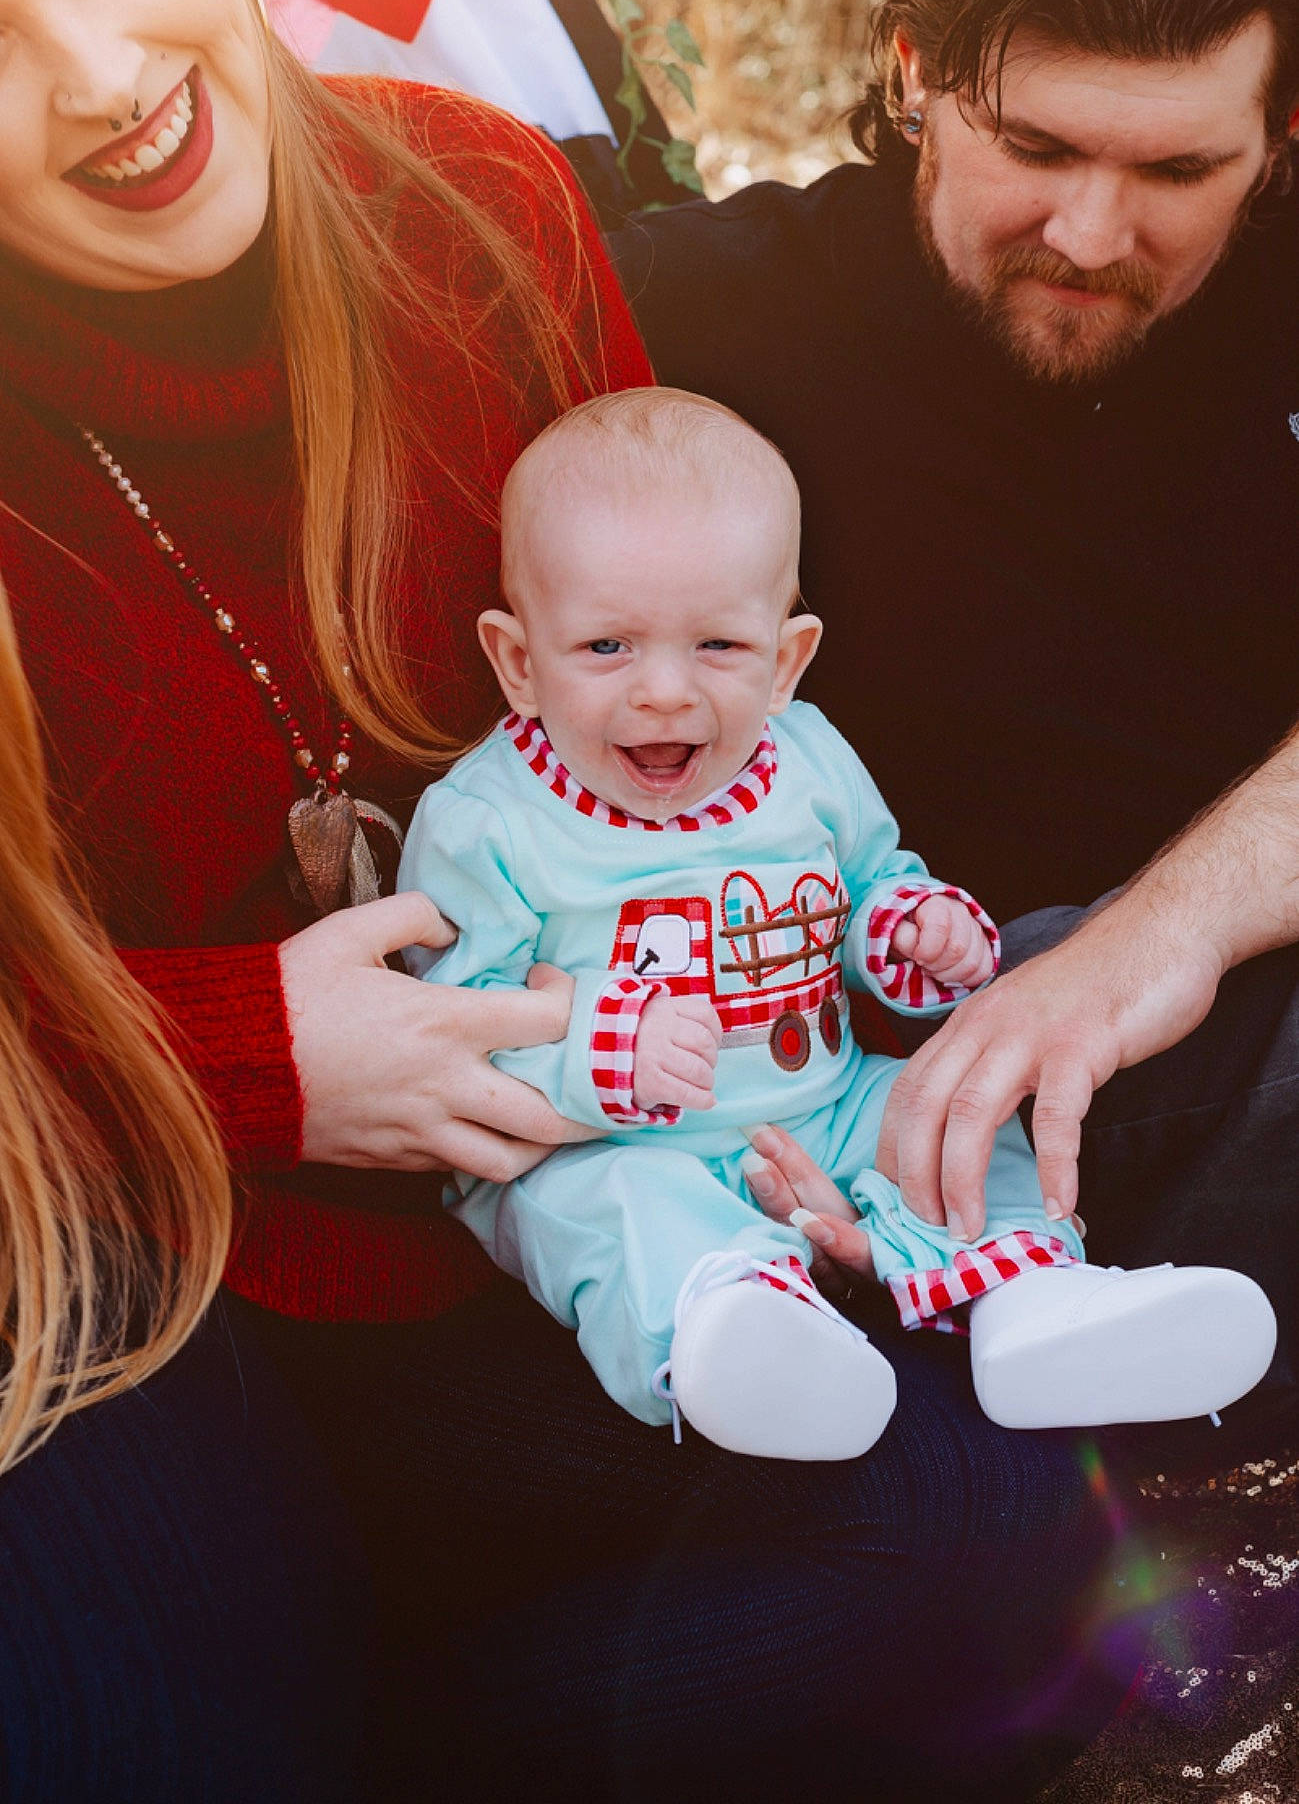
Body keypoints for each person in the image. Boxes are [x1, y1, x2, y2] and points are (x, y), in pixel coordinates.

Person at [0, 0, 1133, 1798]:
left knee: (995, 1551)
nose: (93, 76)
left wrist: (831, 995)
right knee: (132, 1735)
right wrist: (242, 1053)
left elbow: (676, 692)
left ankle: (391, 1718)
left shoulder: (474, 207)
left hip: (551, 1201)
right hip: (131, 1264)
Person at [609, 0, 1299, 1431]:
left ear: (1275, 140)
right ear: (910, 69)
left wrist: (1163, 933)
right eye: (1034, 145)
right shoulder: (682, 323)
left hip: (1216, 1016)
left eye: (1173, 168)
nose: (1085, 232)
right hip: (872, 1112)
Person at [399, 384, 1276, 1456]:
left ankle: (1035, 1304)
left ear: (788, 659)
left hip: (819, 1092)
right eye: (607, 648)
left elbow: (867, 880)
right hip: (603, 1138)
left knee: (943, 1108)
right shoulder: (486, 822)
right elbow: (448, 1033)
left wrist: (912, 931)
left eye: (719, 645)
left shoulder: (808, 758)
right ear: (519, 661)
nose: (666, 692)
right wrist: (599, 1047)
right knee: (605, 1208)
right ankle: (737, 1339)